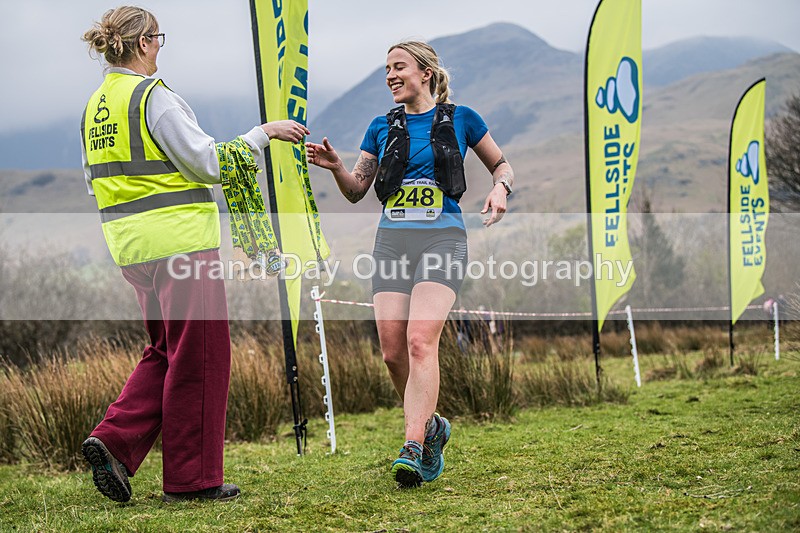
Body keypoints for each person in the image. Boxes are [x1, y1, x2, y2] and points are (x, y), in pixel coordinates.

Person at [79, 6, 308, 503]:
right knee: (202, 356)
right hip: (180, 244)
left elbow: (92, 181)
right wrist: (262, 135)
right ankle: (193, 480)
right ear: (143, 43)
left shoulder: (95, 107)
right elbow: (207, 163)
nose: (161, 47)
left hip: (129, 248)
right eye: (158, 38)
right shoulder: (153, 98)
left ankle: (113, 441)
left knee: (165, 349)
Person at [306, 41, 514, 487]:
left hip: (444, 238)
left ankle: (414, 445)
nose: (390, 76)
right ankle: (433, 425)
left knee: (421, 341)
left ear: (426, 71)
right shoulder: (380, 128)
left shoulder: (463, 118)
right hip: (392, 243)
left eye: (398, 67)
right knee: (393, 351)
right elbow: (356, 189)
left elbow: (502, 166)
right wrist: (338, 167)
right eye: (386, 69)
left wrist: (500, 190)